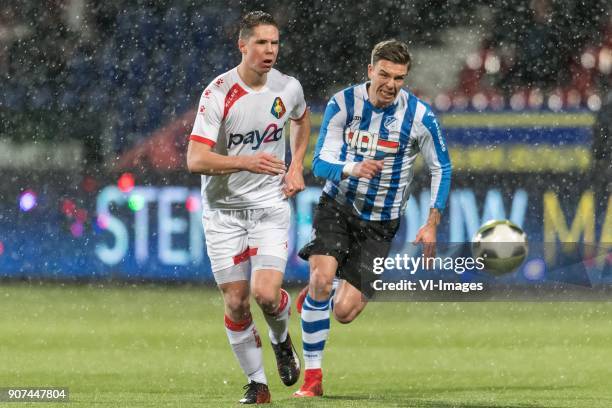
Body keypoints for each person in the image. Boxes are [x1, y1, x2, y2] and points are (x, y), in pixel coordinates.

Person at [292, 39, 452, 398]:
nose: (391, 84)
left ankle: (323, 291)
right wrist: (352, 169)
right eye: (384, 74)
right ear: (370, 71)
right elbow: (319, 164)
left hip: (381, 223)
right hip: (338, 207)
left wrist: (432, 222)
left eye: (399, 77)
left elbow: (442, 166)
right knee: (321, 278)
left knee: (345, 312)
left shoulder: (420, 117)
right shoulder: (342, 104)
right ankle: (313, 380)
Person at [186, 11, 310, 404]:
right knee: (237, 302)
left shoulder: (288, 87)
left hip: (269, 206)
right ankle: (258, 384)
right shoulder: (219, 92)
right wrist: (246, 160)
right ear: (242, 45)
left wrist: (294, 167)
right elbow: (195, 159)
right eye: (261, 43)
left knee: (266, 294)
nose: (269, 50)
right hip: (223, 212)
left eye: (274, 43)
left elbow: (302, 121)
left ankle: (281, 339)